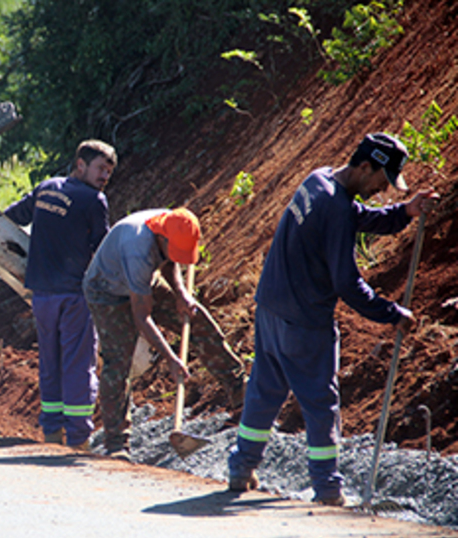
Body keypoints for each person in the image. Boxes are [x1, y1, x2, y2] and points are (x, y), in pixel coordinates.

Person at [227, 133, 438, 506]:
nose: (381, 189)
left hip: (271, 308)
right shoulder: (337, 208)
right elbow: (347, 283)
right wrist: (391, 313)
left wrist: (404, 212)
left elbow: (357, 218)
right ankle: (328, 489)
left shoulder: (319, 179)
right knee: (321, 404)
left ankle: (241, 469)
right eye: (380, 180)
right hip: (305, 321)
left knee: (263, 391)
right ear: (363, 166)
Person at [83, 207, 247, 461]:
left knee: (197, 319)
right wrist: (171, 358)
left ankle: (241, 397)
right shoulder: (137, 249)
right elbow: (142, 318)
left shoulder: (173, 223)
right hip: (107, 291)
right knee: (118, 360)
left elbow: (168, 260)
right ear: (162, 238)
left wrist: (181, 294)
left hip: (144, 281)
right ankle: (116, 442)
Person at [4, 140, 115, 450]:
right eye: (100, 169)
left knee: (50, 363)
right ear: (80, 164)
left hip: (42, 296)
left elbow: (12, 216)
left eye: (108, 171)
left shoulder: (46, 187)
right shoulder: (94, 200)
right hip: (74, 297)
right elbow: (103, 249)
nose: (104, 176)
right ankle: (79, 438)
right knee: (78, 365)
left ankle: (52, 432)